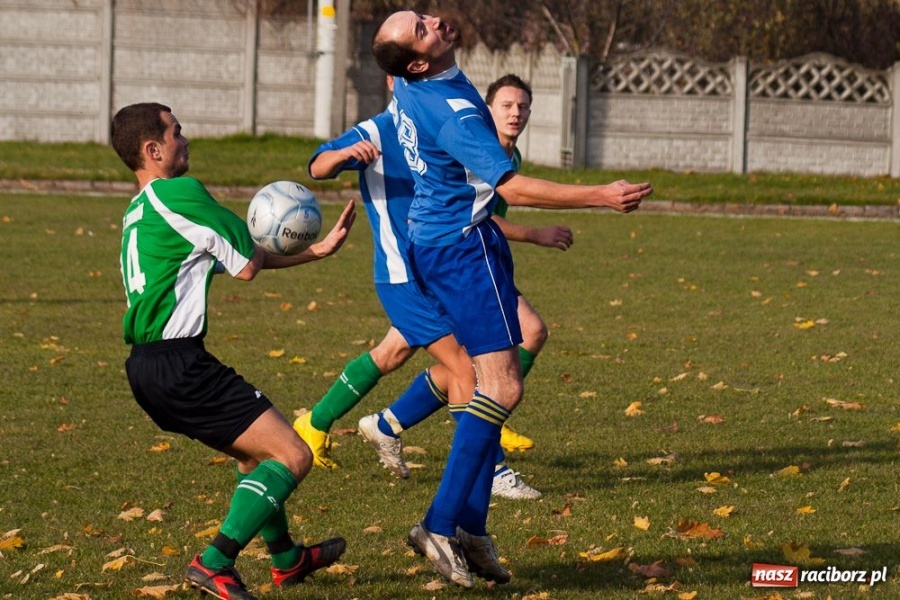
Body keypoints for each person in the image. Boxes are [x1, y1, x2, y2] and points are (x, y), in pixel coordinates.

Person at [371, 11, 652, 589]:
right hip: (460, 248)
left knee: (484, 381)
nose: (436, 19)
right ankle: (439, 524)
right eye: (422, 27)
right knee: (500, 384)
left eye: (423, 14)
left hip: (453, 241)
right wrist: (600, 194)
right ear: (419, 61)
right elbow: (512, 188)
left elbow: (398, 80)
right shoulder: (448, 110)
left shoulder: (422, 83)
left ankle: (469, 527)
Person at [110, 102, 355, 600]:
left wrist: (316, 251)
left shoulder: (138, 211)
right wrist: (286, 230)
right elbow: (246, 264)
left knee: (252, 457)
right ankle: (214, 560)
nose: (186, 140)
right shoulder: (182, 192)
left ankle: (286, 557)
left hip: (147, 368)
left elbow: (231, 259)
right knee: (292, 455)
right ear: (153, 150)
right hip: (180, 365)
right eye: (176, 133)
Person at [293, 75, 540, 501]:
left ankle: (346, 424)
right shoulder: (380, 128)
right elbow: (317, 166)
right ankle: (490, 465)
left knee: (405, 353)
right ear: (391, 79)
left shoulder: (438, 126)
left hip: (441, 266)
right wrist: (342, 154)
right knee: (463, 366)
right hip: (403, 273)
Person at [357, 73, 574, 499]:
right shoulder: (473, 146)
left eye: (523, 106)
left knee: (480, 360)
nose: (516, 113)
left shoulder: (510, 152)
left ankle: (388, 423)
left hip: (473, 261)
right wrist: (536, 233)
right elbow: (470, 212)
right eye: (507, 105)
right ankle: (490, 463)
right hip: (451, 262)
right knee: (495, 354)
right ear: (487, 109)